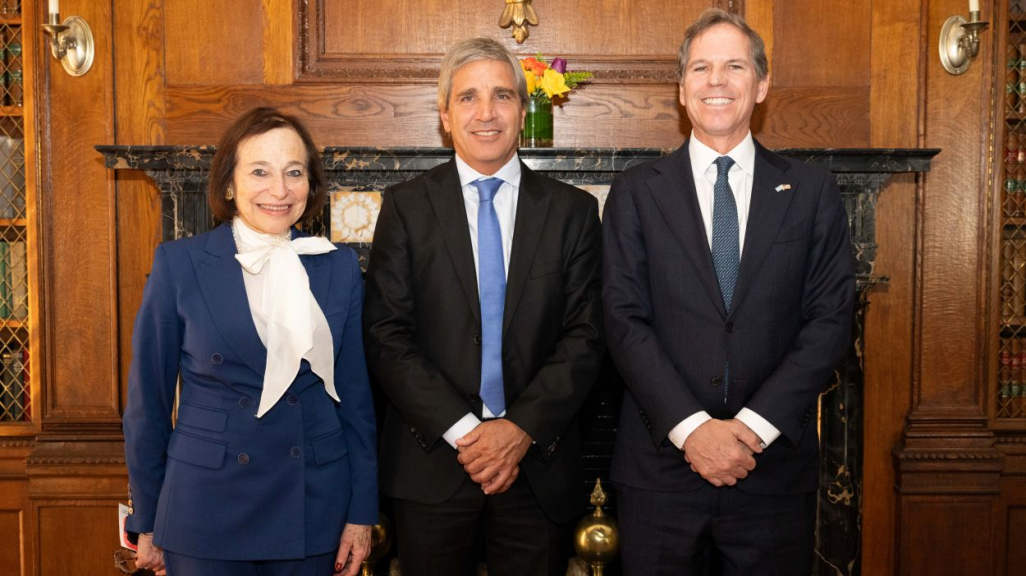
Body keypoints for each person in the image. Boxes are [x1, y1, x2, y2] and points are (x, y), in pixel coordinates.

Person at [602, 8, 855, 575]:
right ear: (682, 87)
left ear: (761, 85)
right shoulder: (637, 192)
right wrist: (693, 432)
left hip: (771, 475)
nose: (716, 81)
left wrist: (748, 431)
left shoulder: (811, 192)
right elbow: (622, 318)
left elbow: (831, 318)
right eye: (701, 67)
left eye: (734, 66)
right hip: (660, 473)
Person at [363, 37, 604, 576]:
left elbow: (587, 337)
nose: (486, 113)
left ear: (523, 109)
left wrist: (517, 429)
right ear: (445, 115)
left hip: (536, 465)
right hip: (432, 466)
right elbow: (386, 335)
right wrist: (467, 434)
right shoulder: (406, 208)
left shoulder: (573, 213)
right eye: (468, 98)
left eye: (501, 95)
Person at [123, 107, 378, 576]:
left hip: (314, 503)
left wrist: (361, 513)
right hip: (206, 508)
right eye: (259, 171)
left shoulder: (338, 266)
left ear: (311, 185)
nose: (279, 190)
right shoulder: (178, 265)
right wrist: (147, 518)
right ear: (228, 183)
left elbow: (357, 401)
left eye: (294, 173)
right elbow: (148, 407)